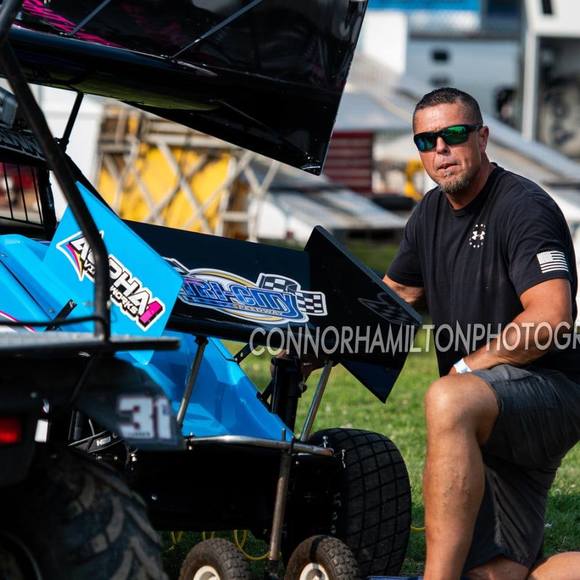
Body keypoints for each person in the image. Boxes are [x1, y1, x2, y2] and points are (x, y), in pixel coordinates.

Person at [384, 87, 580, 580]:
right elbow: (394, 297)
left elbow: (551, 318)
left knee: (449, 399)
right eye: (426, 141)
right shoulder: (429, 213)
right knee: (499, 574)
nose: (440, 150)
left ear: (483, 137)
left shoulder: (523, 207)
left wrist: (469, 367)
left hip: (551, 391)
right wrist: (314, 340)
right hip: (491, 406)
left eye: (453, 135)